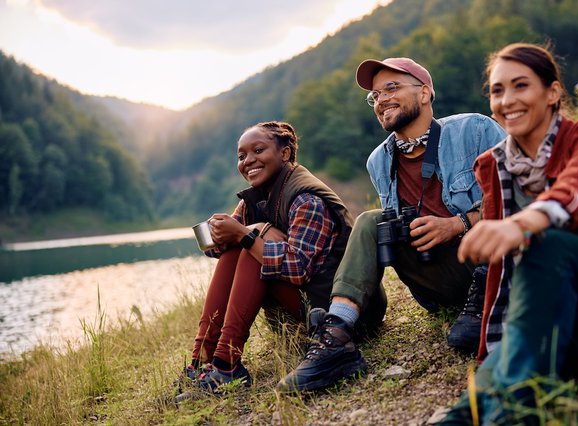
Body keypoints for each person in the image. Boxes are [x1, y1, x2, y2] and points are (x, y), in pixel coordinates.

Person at [439, 43, 578, 424]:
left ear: (552, 93)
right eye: (498, 90)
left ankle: (517, 415)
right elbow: (504, 278)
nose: (507, 100)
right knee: (470, 406)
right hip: (559, 317)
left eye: (520, 86)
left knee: (546, 243)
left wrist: (524, 222)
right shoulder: (495, 167)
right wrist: (492, 351)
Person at [278, 57, 506, 392]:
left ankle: (486, 306)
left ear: (425, 93)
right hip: (437, 281)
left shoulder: (474, 129)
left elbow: (517, 195)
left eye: (392, 87)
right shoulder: (379, 161)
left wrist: (457, 224)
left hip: (494, 267)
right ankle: (337, 335)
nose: (381, 98)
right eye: (375, 95)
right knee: (373, 221)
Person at [177, 121, 354, 397]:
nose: (249, 161)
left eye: (258, 150)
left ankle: (226, 363)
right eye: (241, 156)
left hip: (335, 321)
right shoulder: (254, 199)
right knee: (246, 238)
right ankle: (202, 360)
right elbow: (218, 251)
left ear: (285, 153)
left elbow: (298, 270)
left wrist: (245, 236)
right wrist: (218, 235)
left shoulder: (306, 198)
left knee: (252, 237)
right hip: (298, 312)